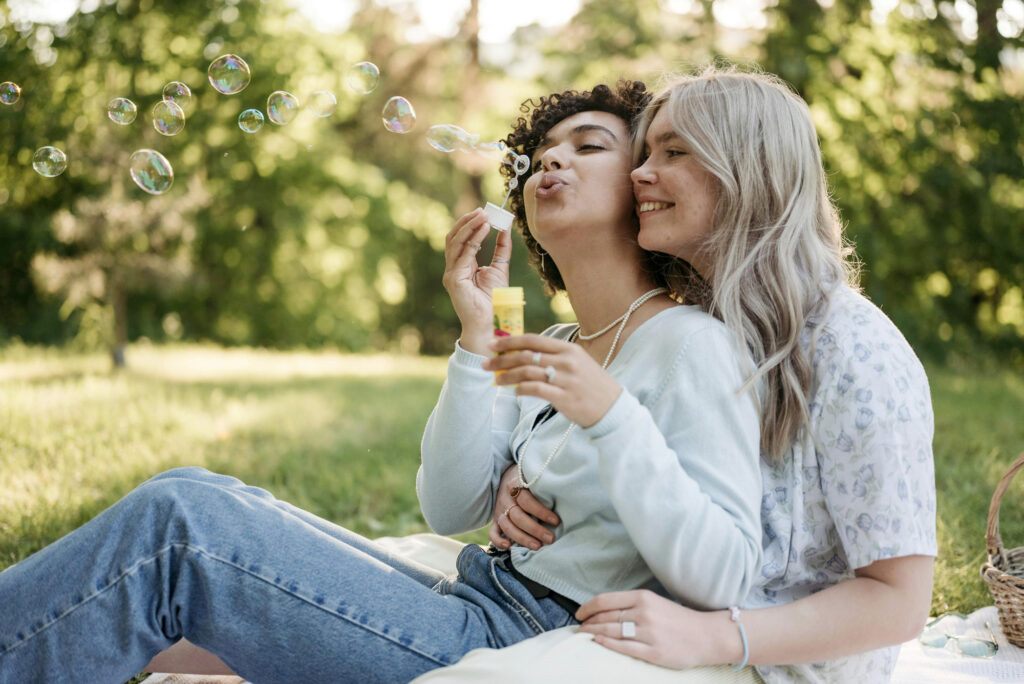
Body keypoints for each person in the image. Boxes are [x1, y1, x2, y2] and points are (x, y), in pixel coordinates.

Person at [0, 81, 764, 684]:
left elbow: (722, 571)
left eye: (589, 146)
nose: (549, 161)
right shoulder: (557, 343)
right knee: (197, 486)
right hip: (471, 593)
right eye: (541, 152)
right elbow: (451, 502)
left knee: (183, 521)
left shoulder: (689, 346)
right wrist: (475, 337)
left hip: (520, 637)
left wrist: (611, 416)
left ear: (644, 189)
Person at [488, 66, 937, 683]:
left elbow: (900, 601)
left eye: (674, 152)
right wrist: (527, 469)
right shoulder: (705, 319)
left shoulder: (854, 348)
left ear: (751, 170)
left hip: (769, 667)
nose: (640, 173)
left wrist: (713, 636)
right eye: (644, 152)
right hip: (661, 623)